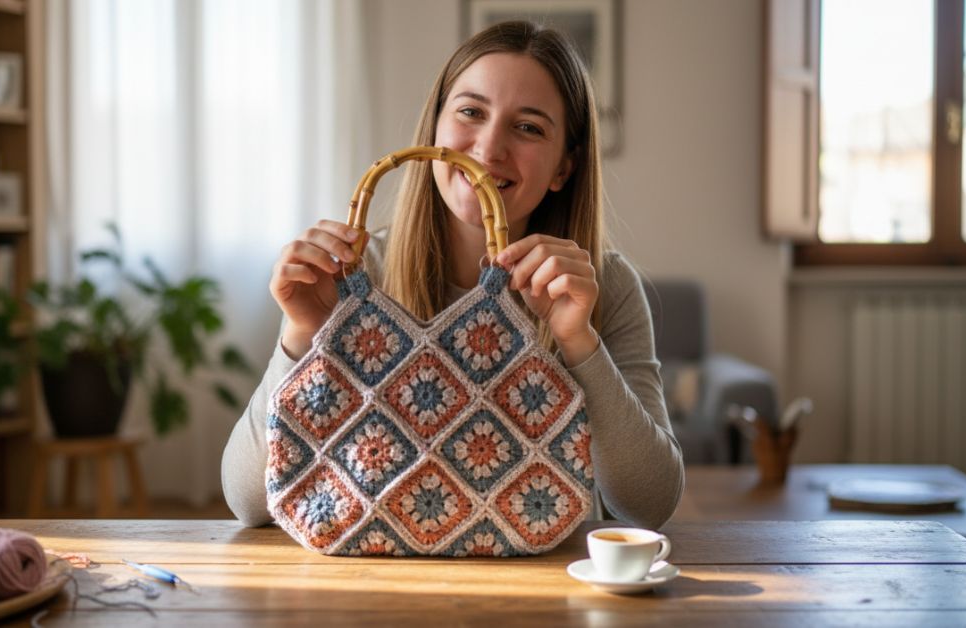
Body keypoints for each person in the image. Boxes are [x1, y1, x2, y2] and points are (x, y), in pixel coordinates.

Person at [222, 20, 683, 529]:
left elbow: (649, 504)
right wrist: (300, 334)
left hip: (553, 582)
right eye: (470, 112)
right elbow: (246, 501)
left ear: (563, 169)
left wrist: (579, 341)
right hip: (377, 579)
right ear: (435, 129)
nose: (489, 148)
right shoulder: (353, 275)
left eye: (528, 127)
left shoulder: (602, 287)